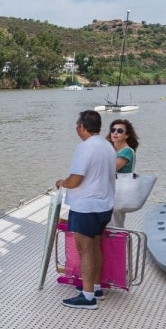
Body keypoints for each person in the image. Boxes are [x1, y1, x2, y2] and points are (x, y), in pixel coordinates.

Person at [55, 110, 116, 310]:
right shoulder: (108, 146)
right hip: (104, 205)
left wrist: (62, 182)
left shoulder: (85, 148)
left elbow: (76, 179)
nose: (76, 128)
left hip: (86, 207)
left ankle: (88, 297)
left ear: (82, 126)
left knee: (85, 251)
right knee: (95, 247)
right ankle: (96, 287)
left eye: (77, 125)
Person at [105, 119, 140, 227]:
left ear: (126, 135)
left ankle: (118, 244)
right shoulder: (112, 150)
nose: (115, 132)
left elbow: (110, 168)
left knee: (114, 226)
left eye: (120, 131)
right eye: (113, 130)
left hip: (118, 194)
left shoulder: (126, 151)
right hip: (110, 193)